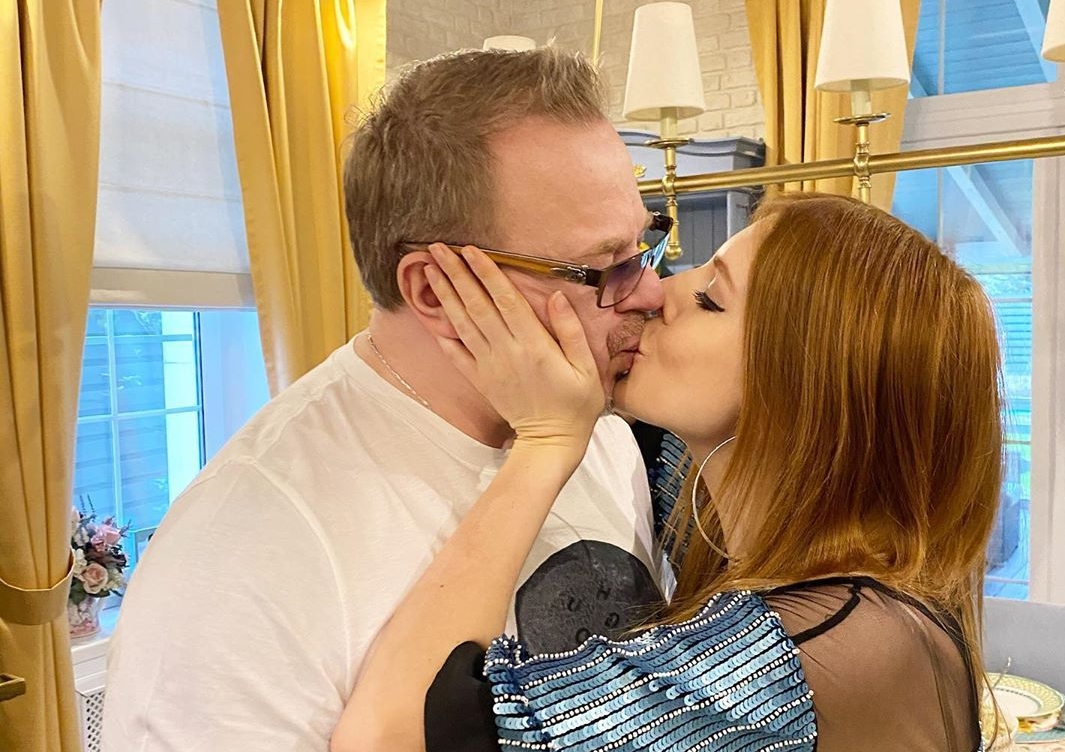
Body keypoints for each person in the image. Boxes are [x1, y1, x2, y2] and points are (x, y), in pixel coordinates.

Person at [101, 48, 673, 750]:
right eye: (602, 268)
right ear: (434, 290)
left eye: (643, 247)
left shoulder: (598, 431)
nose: (650, 292)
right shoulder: (241, 548)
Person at [331, 192, 1003, 752]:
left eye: (710, 299)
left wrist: (546, 441)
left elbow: (395, 737)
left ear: (803, 393)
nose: (654, 291)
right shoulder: (851, 610)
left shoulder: (844, 647)